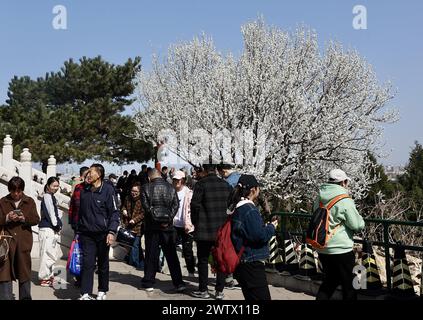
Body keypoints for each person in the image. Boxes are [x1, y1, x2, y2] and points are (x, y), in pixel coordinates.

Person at [315, 169, 365, 300]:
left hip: (322, 247)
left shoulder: (319, 197)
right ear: (343, 182)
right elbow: (356, 225)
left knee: (329, 282)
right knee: (350, 285)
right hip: (341, 248)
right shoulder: (344, 199)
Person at [228, 174, 277, 300]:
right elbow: (259, 236)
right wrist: (271, 227)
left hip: (242, 262)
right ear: (253, 190)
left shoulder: (236, 208)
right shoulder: (249, 209)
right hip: (251, 263)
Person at [77, 164, 120, 300]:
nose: (88, 174)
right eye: (88, 172)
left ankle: (102, 290)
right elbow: (78, 210)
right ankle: (85, 292)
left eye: (91, 172)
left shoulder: (108, 190)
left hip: (103, 233)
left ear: (99, 175)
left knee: (102, 263)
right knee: (87, 263)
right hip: (86, 233)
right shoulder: (84, 189)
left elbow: (114, 212)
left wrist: (111, 231)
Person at [190, 164, 232, 300]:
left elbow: (195, 205)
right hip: (221, 229)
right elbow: (232, 206)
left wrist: (196, 222)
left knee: (202, 259)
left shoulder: (201, 185)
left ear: (204, 171)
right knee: (220, 260)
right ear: (215, 171)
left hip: (204, 228)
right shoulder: (226, 185)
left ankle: (204, 290)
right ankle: (219, 291)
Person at [140, 169, 185, 292]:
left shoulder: (145, 187)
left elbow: (146, 207)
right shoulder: (171, 188)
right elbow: (176, 205)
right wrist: (167, 218)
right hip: (167, 226)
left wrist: (156, 218)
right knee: (171, 255)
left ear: (150, 177)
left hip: (152, 227)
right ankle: (178, 282)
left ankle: (149, 281)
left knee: (151, 255)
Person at [0, 177, 40, 300]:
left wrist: (24, 218)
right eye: (13, 191)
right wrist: (7, 218)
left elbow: (36, 219)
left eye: (19, 191)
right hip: (6, 243)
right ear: (10, 190)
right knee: (4, 272)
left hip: (23, 243)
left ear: (22, 190)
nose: (16, 194)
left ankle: (25, 297)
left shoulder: (29, 201)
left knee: (24, 272)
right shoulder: (3, 201)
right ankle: (6, 297)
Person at [38, 176, 62, 287]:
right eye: (54, 186)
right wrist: (56, 225)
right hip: (47, 229)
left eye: (57, 186)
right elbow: (51, 214)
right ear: (48, 186)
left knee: (51, 254)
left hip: (50, 229)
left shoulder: (51, 196)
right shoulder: (47, 196)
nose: (56, 188)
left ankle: (50, 276)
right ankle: (44, 277)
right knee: (46, 254)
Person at [68, 166, 90, 287]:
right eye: (86, 175)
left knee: (88, 253)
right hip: (78, 225)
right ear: (82, 176)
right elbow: (73, 206)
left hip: (91, 226)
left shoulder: (94, 189)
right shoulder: (78, 187)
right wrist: (72, 222)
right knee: (78, 252)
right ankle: (79, 277)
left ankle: (85, 278)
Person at [172, 170, 196, 276]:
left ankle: (191, 271)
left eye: (178, 180)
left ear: (183, 180)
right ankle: (175, 271)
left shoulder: (189, 193)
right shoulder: (171, 192)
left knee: (187, 250)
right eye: (174, 179)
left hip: (186, 225)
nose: (176, 182)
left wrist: (191, 224)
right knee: (171, 248)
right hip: (173, 224)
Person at [121, 182, 145, 270]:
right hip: (128, 224)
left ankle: (135, 264)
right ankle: (141, 263)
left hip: (138, 225)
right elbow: (123, 206)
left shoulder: (143, 200)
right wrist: (124, 210)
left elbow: (143, 213)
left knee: (135, 244)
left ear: (140, 192)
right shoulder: (128, 198)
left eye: (136, 191)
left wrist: (134, 220)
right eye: (132, 190)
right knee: (133, 245)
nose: (133, 193)